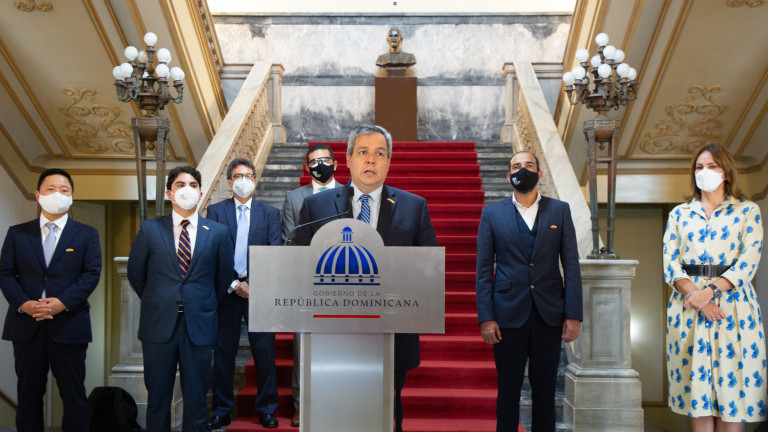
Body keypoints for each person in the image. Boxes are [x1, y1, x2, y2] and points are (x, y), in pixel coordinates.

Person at [293, 124, 437, 432]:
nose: (371, 160)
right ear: (348, 159)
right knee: (339, 413)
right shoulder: (317, 206)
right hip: (334, 333)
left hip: (393, 331)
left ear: (389, 161)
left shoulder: (413, 206)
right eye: (363, 152)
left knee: (387, 412)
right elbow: (299, 265)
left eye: (379, 154)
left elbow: (429, 270)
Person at [475, 151, 582, 432]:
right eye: (516, 166)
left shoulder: (560, 210)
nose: (522, 170)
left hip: (549, 314)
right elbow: (484, 270)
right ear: (508, 175)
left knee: (545, 390)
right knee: (508, 390)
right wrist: (486, 317)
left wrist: (573, 314)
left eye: (529, 165)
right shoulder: (492, 214)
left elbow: (571, 265)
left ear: (539, 173)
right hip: (507, 314)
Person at [663, 143, 766, 431]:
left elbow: (749, 259)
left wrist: (710, 293)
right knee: (698, 391)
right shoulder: (679, 214)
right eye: (699, 167)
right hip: (688, 306)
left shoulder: (748, 211)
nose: (704, 171)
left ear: (726, 172)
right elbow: (670, 263)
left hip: (734, 306)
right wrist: (697, 297)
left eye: (712, 166)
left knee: (733, 394)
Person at [127, 165, 233, 432]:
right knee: (158, 398)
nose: (188, 189)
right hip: (158, 324)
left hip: (199, 325)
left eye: (193, 185)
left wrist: (200, 301)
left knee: (196, 398)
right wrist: (159, 299)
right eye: (180, 185)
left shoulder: (218, 232)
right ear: (169, 193)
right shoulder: (150, 229)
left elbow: (222, 279)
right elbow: (136, 273)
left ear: (200, 193)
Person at [0, 168, 102, 432]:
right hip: (27, 326)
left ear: (72, 196)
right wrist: (24, 304)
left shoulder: (87, 234)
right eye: (51, 189)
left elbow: (91, 274)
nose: (58, 194)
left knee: (74, 396)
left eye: (64, 190)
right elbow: (6, 273)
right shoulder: (17, 233)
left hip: (69, 325)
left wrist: (62, 303)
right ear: (38, 195)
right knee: (28, 397)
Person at [205, 158, 282, 430]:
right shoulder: (215, 212)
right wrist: (233, 283)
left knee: (264, 353)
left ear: (255, 180)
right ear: (229, 182)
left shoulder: (270, 213)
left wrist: (252, 283)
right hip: (225, 293)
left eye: (248, 175)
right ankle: (222, 411)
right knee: (223, 354)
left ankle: (267, 409)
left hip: (258, 294)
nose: (243, 180)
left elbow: (274, 253)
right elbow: (211, 252)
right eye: (238, 176)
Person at [281, 143, 341, 426]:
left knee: (340, 344)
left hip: (344, 282)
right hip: (306, 281)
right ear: (307, 167)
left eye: (325, 160)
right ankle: (300, 403)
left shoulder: (351, 193)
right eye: (315, 161)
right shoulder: (294, 198)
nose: (321, 165)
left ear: (336, 164)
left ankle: (337, 400)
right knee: (302, 346)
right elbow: (290, 240)